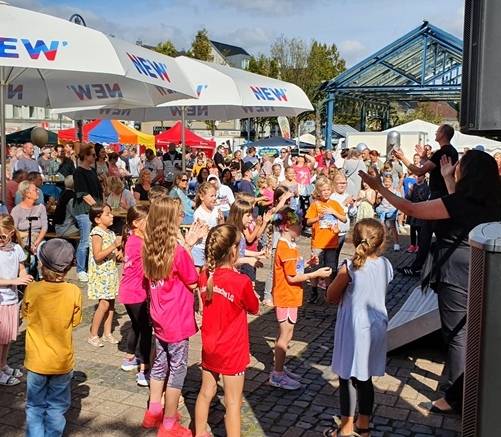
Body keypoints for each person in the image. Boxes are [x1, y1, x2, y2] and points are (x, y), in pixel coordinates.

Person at [359, 149, 501, 414]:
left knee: (458, 335)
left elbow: (412, 208)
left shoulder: (459, 203)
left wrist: (379, 188)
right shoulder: (491, 201)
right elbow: (459, 207)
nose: (455, 167)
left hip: (456, 273)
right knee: (474, 331)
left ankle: (457, 398)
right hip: (484, 269)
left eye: (461, 166)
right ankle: (466, 386)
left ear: (469, 174)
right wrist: (448, 178)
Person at [323, 218, 393, 437]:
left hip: (354, 326)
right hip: (377, 324)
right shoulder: (386, 265)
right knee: (365, 377)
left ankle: (345, 428)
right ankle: (363, 426)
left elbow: (331, 296)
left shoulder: (350, 267)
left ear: (354, 240)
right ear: (380, 242)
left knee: (347, 377)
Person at [195, 224, 260, 437]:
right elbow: (254, 307)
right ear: (233, 251)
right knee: (233, 402)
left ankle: (200, 431)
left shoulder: (205, 274)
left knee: (206, 392)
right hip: (233, 349)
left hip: (210, 345)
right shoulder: (241, 281)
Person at [141, 197, 198, 436]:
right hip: (177, 319)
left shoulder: (149, 247)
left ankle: (154, 409)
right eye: (179, 215)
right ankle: (169, 421)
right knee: (177, 370)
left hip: (159, 318)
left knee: (159, 363)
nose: (182, 217)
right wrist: (190, 246)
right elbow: (193, 281)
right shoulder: (178, 251)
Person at [22, 239, 81, 436]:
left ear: (42, 263)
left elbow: (26, 314)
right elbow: (76, 321)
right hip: (62, 360)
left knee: (34, 406)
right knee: (57, 407)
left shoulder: (33, 289)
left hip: (36, 360)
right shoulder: (74, 291)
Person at [269, 208, 332, 390]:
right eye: (298, 225)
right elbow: (293, 277)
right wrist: (316, 273)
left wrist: (307, 264)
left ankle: (278, 367)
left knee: (284, 335)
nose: (301, 228)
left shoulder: (289, 245)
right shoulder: (285, 247)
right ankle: (278, 373)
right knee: (285, 336)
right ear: (288, 227)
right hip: (286, 296)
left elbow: (295, 269)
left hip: (289, 296)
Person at [393, 124, 458, 276]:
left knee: (426, 232)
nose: (435, 133)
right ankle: (432, 265)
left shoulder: (443, 151)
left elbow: (419, 171)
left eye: (437, 131)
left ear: (442, 134)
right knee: (438, 233)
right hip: (445, 194)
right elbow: (430, 166)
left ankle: (418, 267)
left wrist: (402, 157)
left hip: (438, 196)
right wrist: (424, 157)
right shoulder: (451, 151)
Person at [118, 205, 152, 387]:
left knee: (137, 326)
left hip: (128, 291)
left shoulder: (132, 239)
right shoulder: (138, 243)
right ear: (137, 223)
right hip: (137, 292)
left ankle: (130, 358)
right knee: (146, 330)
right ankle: (144, 370)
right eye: (148, 221)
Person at [0, 214, 33, 386]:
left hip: (12, 300)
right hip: (1, 301)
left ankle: (3, 364)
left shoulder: (16, 249)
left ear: (11, 232)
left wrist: (25, 278)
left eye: (2, 236)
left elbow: (22, 269)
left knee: (8, 338)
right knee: (0, 338)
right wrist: (14, 281)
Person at [305, 177, 347, 302]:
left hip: (332, 242)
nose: (326, 192)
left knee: (329, 268)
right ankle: (313, 291)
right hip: (318, 242)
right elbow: (307, 222)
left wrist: (333, 211)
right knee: (316, 267)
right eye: (323, 190)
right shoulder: (315, 205)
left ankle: (328, 291)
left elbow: (344, 219)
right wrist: (318, 217)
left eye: (328, 189)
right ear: (318, 191)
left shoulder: (334, 204)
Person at [87, 204, 121, 347]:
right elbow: (98, 255)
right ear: (98, 219)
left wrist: (120, 254)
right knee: (104, 303)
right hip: (101, 274)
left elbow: (113, 255)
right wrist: (113, 246)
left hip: (111, 272)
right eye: (107, 214)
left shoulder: (110, 233)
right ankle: (93, 334)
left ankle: (107, 333)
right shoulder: (97, 233)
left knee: (111, 303)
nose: (111, 216)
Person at [73, 144, 103, 283]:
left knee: (93, 240)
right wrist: (97, 206)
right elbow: (83, 193)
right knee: (85, 241)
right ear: (85, 156)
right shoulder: (78, 172)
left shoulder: (92, 170)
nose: (94, 157)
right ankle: (80, 269)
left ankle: (90, 267)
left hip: (94, 209)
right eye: (92, 155)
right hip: (84, 210)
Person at [191, 182, 224, 269]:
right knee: (199, 273)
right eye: (211, 196)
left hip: (212, 247)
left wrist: (221, 221)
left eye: (215, 195)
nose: (214, 198)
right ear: (202, 197)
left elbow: (221, 228)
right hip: (200, 248)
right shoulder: (199, 213)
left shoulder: (216, 210)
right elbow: (203, 232)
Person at [11, 181, 48, 253]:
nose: (38, 192)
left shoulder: (41, 207)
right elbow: (14, 230)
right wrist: (26, 235)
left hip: (38, 239)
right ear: (27, 193)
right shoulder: (16, 210)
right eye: (35, 190)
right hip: (22, 240)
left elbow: (44, 227)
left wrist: (36, 243)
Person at [375, 175, 400, 251]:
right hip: (382, 211)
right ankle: (383, 243)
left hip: (391, 211)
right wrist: (378, 197)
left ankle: (396, 243)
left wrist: (399, 211)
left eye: (388, 181)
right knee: (382, 228)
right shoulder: (381, 191)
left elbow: (398, 201)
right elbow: (377, 202)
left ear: (392, 182)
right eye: (385, 181)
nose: (387, 183)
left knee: (393, 227)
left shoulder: (395, 192)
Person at [405, 174, 430, 253]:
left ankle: (419, 245)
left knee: (419, 229)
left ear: (423, 177)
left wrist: (418, 192)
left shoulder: (426, 187)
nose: (418, 178)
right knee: (412, 229)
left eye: (420, 176)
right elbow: (408, 197)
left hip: (420, 209)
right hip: (413, 209)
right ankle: (412, 245)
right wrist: (410, 191)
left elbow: (424, 198)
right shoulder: (414, 185)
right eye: (417, 176)